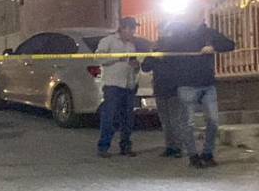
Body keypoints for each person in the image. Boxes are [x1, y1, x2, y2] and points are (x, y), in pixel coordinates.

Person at [162, 10, 235, 168]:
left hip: (207, 84)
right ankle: (193, 156)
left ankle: (207, 153)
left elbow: (230, 45)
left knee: (213, 121)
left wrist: (214, 46)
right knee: (188, 123)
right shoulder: (179, 34)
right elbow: (166, 51)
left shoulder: (209, 33)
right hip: (187, 85)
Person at [95, 17, 142, 158]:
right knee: (109, 117)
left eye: (134, 29)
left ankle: (125, 146)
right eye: (131, 28)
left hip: (128, 85)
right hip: (113, 85)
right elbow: (99, 58)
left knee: (127, 118)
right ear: (122, 28)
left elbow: (132, 64)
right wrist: (117, 58)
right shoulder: (108, 41)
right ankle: (103, 146)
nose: (133, 32)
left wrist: (135, 67)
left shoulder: (131, 45)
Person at [141, 22, 187, 159]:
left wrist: (163, 58)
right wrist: (152, 54)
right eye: (160, 31)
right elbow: (145, 67)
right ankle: (170, 147)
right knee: (165, 121)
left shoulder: (178, 47)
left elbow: (180, 65)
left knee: (175, 120)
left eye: (164, 31)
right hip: (160, 88)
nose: (161, 34)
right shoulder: (155, 49)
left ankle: (178, 147)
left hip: (174, 88)